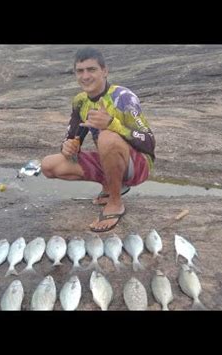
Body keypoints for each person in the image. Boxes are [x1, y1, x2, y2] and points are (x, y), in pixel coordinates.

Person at [41, 47, 155, 232]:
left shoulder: (124, 98)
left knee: (107, 138)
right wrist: (68, 147)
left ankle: (116, 203)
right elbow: (72, 136)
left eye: (91, 69)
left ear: (104, 71)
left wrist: (112, 123)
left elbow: (149, 143)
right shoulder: (80, 101)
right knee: (48, 165)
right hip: (109, 159)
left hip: (137, 164)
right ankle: (110, 186)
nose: (85, 76)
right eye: (80, 71)